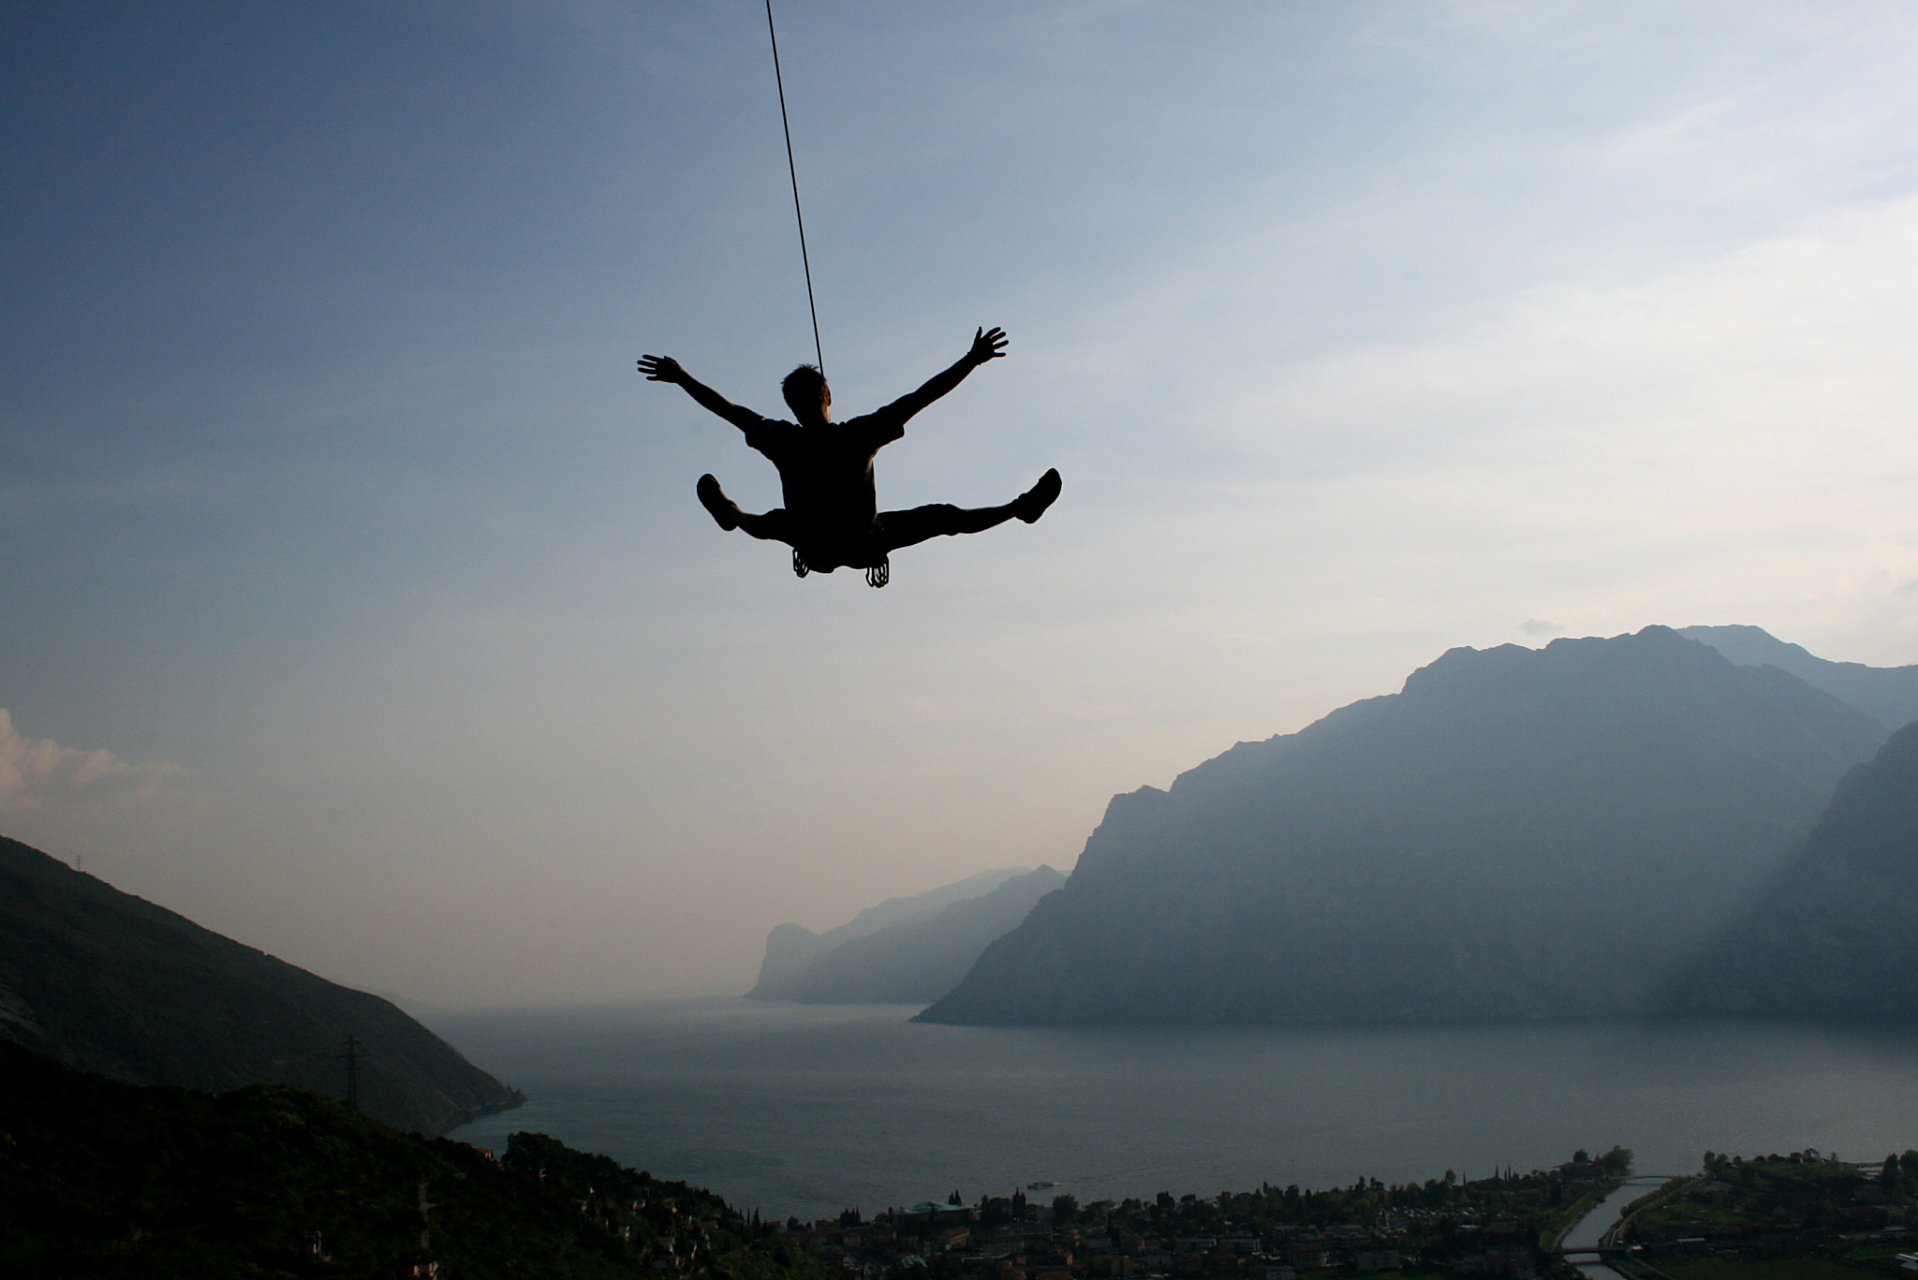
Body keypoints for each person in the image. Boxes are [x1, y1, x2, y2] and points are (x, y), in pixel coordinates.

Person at [638, 326, 1060, 587]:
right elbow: (923, 396)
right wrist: (972, 359)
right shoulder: (859, 436)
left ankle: (733, 516)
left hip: (812, 545)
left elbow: (727, 409)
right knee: (942, 517)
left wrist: (680, 378)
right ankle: (1018, 509)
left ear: (791, 406)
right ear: (829, 397)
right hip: (865, 543)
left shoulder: (781, 439)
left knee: (772, 523)